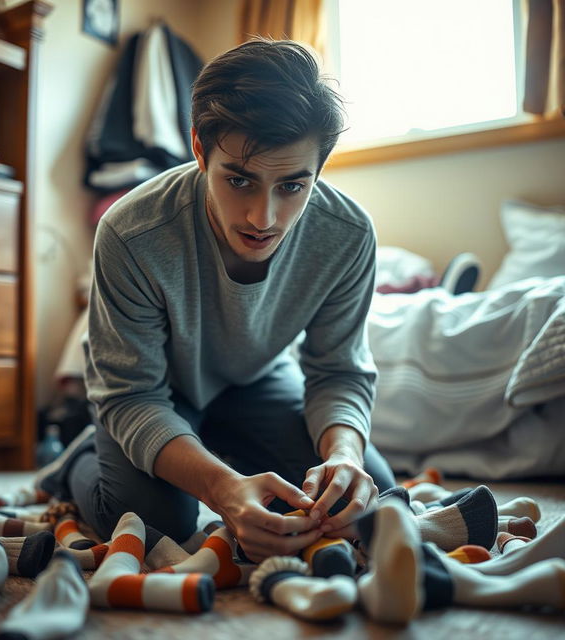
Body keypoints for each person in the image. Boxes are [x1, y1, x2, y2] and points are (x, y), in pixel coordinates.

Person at [37, 38, 395, 562]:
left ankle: (220, 446)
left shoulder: (348, 234)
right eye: (240, 180)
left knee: (364, 498)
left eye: (293, 186)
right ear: (200, 151)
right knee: (156, 522)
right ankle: (78, 460)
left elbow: (338, 371)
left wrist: (343, 454)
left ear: (318, 170)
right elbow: (131, 393)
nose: (263, 218)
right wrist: (224, 490)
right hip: (152, 389)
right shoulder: (130, 231)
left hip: (258, 380)